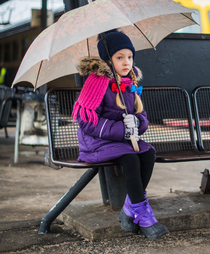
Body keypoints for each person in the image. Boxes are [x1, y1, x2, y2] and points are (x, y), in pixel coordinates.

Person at [71, 30, 168, 241]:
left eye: (130, 56)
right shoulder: (96, 83)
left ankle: (129, 208)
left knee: (148, 154)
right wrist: (121, 128)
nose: (127, 62)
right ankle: (143, 215)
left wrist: (136, 123)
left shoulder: (129, 83)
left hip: (121, 140)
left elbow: (143, 118)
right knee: (131, 159)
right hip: (97, 142)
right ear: (108, 60)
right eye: (120, 57)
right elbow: (87, 121)